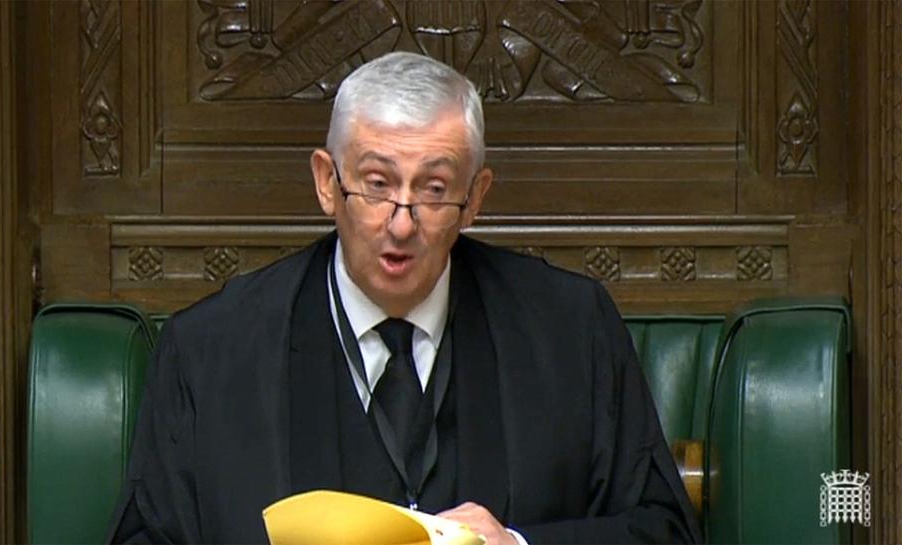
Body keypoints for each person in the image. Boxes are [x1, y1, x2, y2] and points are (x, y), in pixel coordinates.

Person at [108, 51, 701, 544]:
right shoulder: (209, 351)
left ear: (475, 198)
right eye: (376, 184)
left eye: (434, 189)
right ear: (326, 183)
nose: (401, 223)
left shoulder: (572, 329)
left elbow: (664, 530)